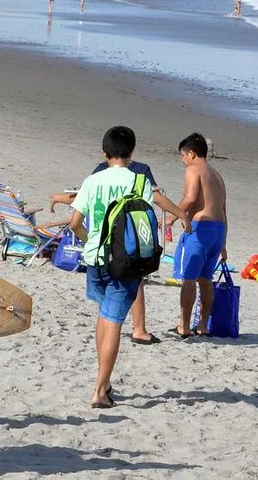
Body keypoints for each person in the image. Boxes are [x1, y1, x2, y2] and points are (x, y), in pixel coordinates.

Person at [51, 157, 191, 345]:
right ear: (130, 150)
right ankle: (138, 329)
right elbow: (157, 198)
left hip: (99, 249)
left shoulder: (99, 172)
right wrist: (180, 214)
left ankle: (118, 331)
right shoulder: (141, 172)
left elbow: (79, 209)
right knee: (133, 283)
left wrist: (58, 199)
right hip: (129, 245)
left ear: (106, 152)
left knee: (106, 305)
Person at [68, 126, 154, 409]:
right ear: (131, 154)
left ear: (105, 153)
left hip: (95, 258)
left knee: (104, 316)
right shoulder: (140, 182)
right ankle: (99, 391)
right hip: (126, 262)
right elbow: (145, 227)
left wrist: (90, 240)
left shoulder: (93, 180)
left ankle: (103, 381)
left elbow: (75, 223)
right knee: (114, 321)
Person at [168, 133, 227, 338]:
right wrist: (223, 244)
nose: (183, 160)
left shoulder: (193, 169)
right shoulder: (217, 175)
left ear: (191, 154)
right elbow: (223, 209)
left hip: (201, 228)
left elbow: (190, 197)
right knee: (205, 279)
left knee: (189, 279)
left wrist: (172, 217)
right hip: (218, 230)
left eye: (182, 156)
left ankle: (183, 326)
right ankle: (202, 324)